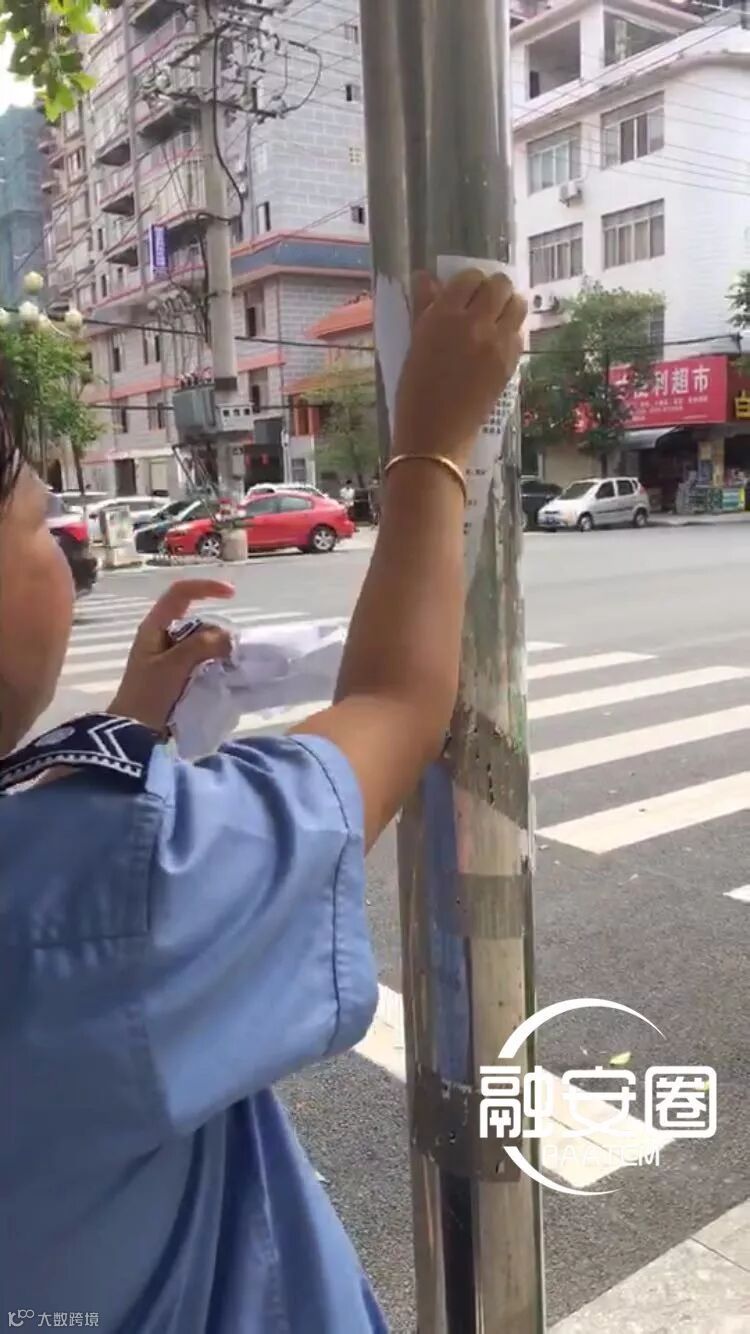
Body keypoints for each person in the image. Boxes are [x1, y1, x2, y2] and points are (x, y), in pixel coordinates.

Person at [0, 269, 525, 1332]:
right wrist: (432, 444)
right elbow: (396, 702)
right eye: (40, 518)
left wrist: (131, 721)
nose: (60, 545)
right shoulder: (108, 882)